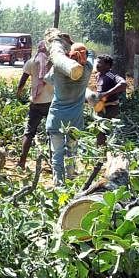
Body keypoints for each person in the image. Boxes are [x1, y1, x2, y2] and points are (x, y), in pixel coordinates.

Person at [46, 41, 91, 184]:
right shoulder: (88, 69)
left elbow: (47, 79)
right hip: (75, 120)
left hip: (56, 117)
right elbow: (85, 58)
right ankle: (70, 175)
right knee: (72, 150)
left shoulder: (58, 70)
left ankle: (59, 182)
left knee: (57, 153)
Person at [15, 40, 53, 170]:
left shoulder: (31, 62)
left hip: (36, 102)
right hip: (50, 103)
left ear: (38, 49)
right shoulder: (53, 63)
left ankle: (21, 162)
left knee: (29, 132)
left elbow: (23, 79)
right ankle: (53, 163)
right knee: (53, 133)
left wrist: (19, 92)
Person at [90, 54, 125, 146]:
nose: (97, 65)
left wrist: (106, 94)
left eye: (100, 63)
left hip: (110, 107)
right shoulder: (98, 75)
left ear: (107, 66)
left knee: (104, 130)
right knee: (99, 130)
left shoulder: (111, 75)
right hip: (100, 108)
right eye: (97, 62)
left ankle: (105, 151)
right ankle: (101, 150)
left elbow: (123, 84)